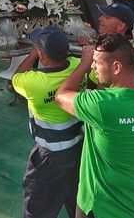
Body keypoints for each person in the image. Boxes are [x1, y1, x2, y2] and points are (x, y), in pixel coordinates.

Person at [56, 33, 134, 218]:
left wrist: (83, 64)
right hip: (131, 202)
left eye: (97, 62)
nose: (93, 67)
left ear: (117, 67)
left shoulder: (102, 105)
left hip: (98, 204)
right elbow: (114, 88)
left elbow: (61, 96)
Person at [12, 27, 83, 218]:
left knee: (37, 203)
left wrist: (32, 54)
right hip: (78, 147)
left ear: (42, 56)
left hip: (49, 155)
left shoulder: (35, 82)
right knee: (75, 196)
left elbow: (15, 78)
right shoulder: (79, 65)